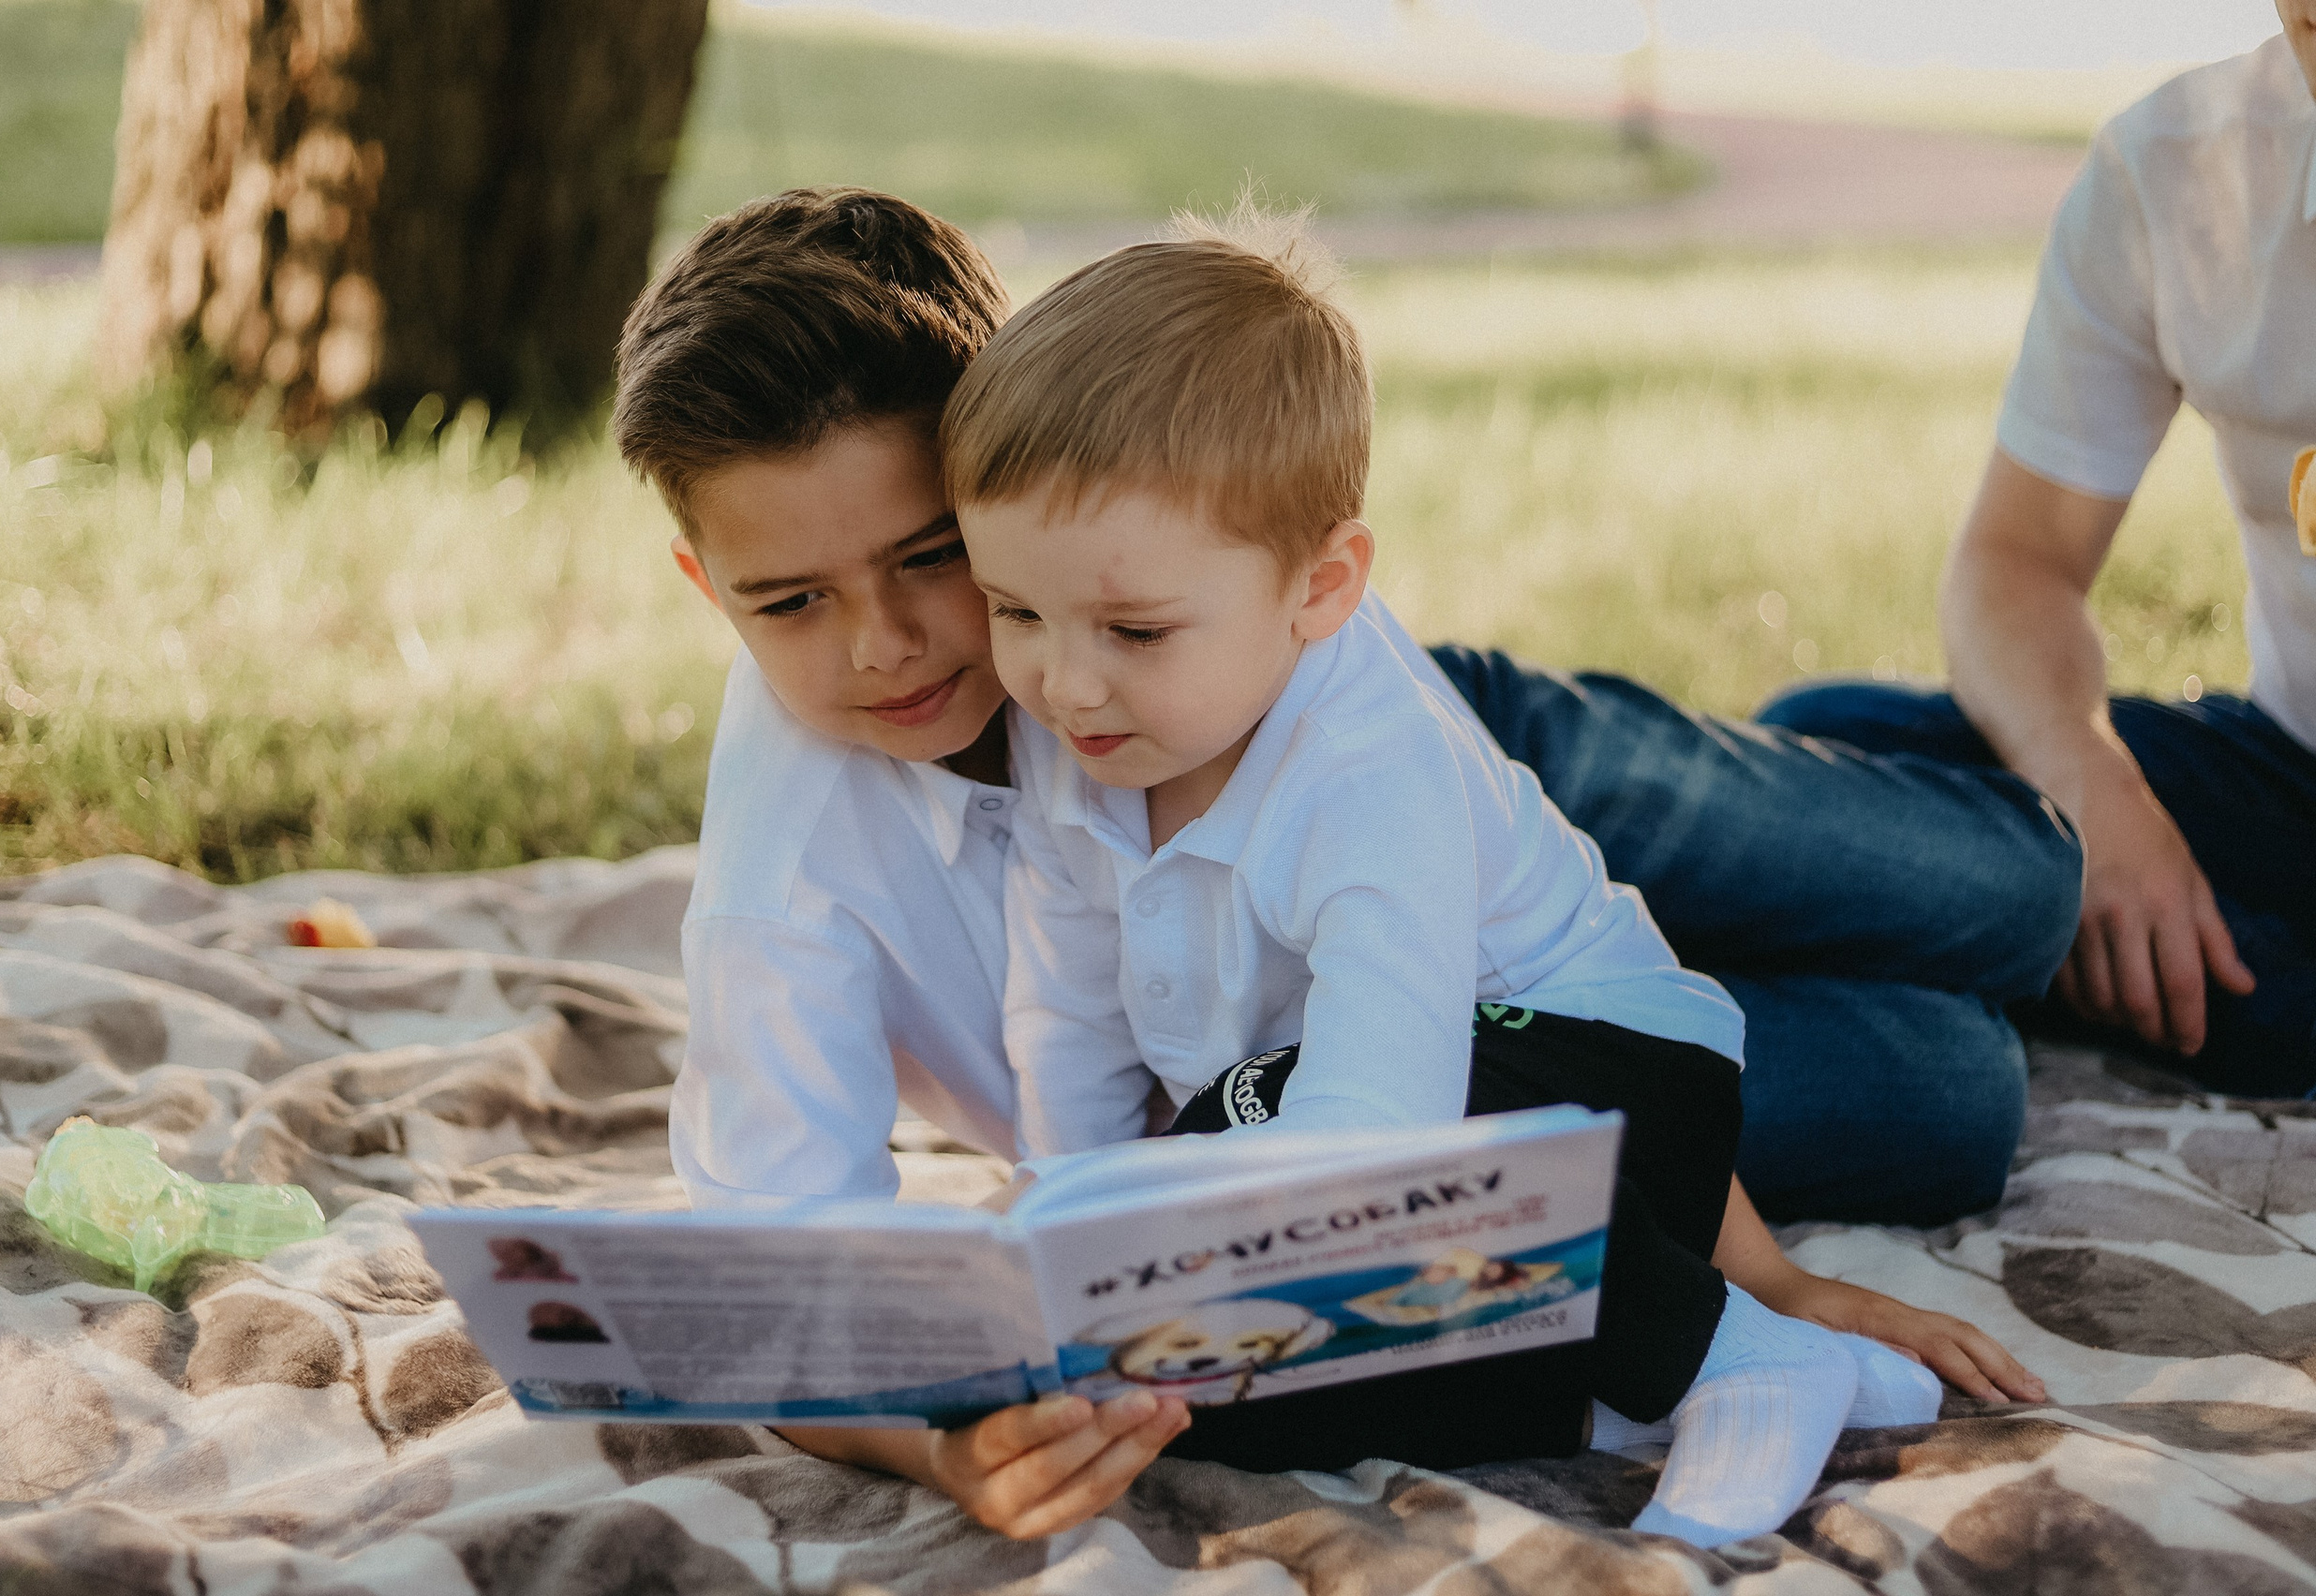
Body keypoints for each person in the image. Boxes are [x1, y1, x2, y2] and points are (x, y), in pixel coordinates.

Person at [611, 186, 2041, 1543]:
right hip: (1307, 1049)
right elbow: (780, 1270)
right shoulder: (801, 862)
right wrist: (951, 1434)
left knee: (2019, 894)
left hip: (1447, 799)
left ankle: (1877, 735)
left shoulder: (1241, 640)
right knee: (1956, 1090)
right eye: (791, 600)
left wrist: (1767, 1279)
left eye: (931, 558)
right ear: (711, 586)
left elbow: (1419, 1075)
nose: (885, 645)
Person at [948, 214, 1957, 1544]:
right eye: (1014, 613)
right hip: (1350, 1144)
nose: (1061, 681)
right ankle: (1626, 1409)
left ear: (1322, 586)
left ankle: (1734, 1357)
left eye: (1133, 630)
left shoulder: (1373, 768)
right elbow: (1068, 1017)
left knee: (1287, 1162)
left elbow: (1381, 1125)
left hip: (1600, 1092)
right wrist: (1077, 1262)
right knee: (1175, 1379)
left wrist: (1140, 1212)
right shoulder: (1081, 744)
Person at [1761, 7, 2316, 1097]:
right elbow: (2017, 561)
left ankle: (2028, 960)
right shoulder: (2173, 171)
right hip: (2289, 779)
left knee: (2254, 995)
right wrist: (2093, 799)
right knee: (1826, 755)